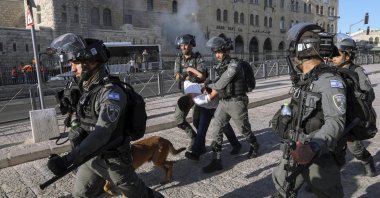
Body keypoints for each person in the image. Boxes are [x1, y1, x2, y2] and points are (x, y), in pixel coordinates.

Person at [47, 33, 163, 198]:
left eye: (76, 63)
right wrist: (72, 108)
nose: (72, 68)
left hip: (113, 161)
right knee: (81, 194)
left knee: (140, 196)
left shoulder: (111, 93)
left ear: (92, 62)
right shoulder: (86, 89)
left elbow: (102, 132)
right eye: (71, 63)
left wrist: (68, 159)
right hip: (89, 157)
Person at [271, 23, 348, 198]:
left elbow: (336, 122)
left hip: (319, 157)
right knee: (281, 190)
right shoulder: (305, 79)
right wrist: (285, 116)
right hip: (294, 150)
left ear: (304, 49)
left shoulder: (329, 82)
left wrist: (312, 147)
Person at [201, 36, 260, 173]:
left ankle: (254, 144)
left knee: (244, 129)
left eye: (220, 52)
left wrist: (210, 86)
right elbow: (215, 79)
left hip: (236, 102)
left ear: (227, 51)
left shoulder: (235, 64)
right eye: (215, 52)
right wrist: (205, 84)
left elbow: (222, 82)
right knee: (216, 128)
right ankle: (216, 160)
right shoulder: (220, 65)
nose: (217, 55)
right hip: (223, 102)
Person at [331, 33, 376, 177]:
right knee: (332, 149)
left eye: (336, 55)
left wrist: (356, 97)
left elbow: (369, 93)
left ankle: (367, 160)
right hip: (337, 115)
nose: (333, 58)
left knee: (355, 148)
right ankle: (327, 177)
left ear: (348, 56)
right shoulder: (332, 71)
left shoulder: (357, 71)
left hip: (351, 118)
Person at [179, 80, 242, 161]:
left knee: (225, 127)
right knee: (201, 130)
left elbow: (214, 93)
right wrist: (206, 89)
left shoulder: (196, 97)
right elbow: (212, 91)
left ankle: (236, 145)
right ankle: (195, 153)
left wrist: (208, 86)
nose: (190, 108)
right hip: (206, 109)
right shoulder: (194, 96)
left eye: (189, 108)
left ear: (189, 104)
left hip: (218, 107)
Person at [173, 34, 207, 151]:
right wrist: (190, 75)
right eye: (181, 45)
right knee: (179, 119)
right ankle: (194, 137)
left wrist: (187, 75)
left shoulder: (198, 58)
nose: (183, 47)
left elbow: (202, 75)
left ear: (191, 45)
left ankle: (200, 144)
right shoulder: (178, 58)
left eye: (186, 44)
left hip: (197, 92)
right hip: (185, 94)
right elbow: (177, 76)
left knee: (197, 121)